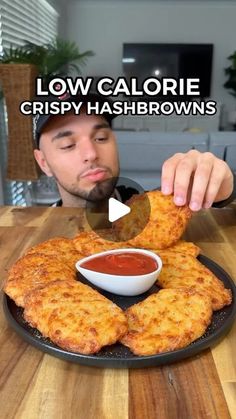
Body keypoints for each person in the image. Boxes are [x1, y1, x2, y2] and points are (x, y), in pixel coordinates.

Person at [33, 93, 236, 210]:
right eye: (68, 144)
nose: (91, 153)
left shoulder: (157, 208)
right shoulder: (36, 237)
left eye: (101, 138)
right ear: (44, 163)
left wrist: (227, 187)